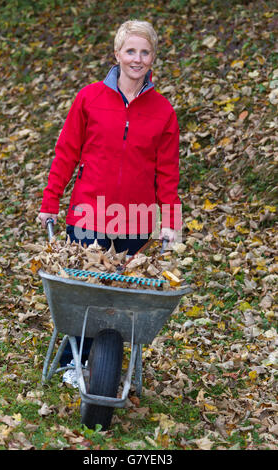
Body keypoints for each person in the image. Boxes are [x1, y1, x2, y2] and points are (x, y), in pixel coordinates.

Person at [38, 20, 182, 371]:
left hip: (136, 220)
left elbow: (168, 175)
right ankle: (74, 363)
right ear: (117, 54)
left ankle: (109, 363)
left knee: (122, 300)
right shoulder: (89, 98)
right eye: (130, 51)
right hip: (88, 214)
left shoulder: (162, 111)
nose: (137, 58)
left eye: (144, 52)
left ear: (153, 57)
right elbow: (67, 153)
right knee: (86, 296)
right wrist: (50, 201)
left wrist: (171, 222)